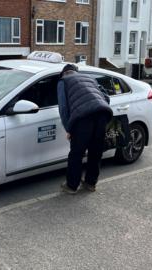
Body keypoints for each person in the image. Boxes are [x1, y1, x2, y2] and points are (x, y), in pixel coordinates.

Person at [57, 64, 113, 194]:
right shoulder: (90, 79)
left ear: (63, 74)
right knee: (95, 152)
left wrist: (69, 129)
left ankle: (71, 186)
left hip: (83, 118)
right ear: (76, 72)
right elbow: (106, 98)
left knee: (76, 153)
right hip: (102, 114)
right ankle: (90, 183)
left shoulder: (63, 82)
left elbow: (63, 108)